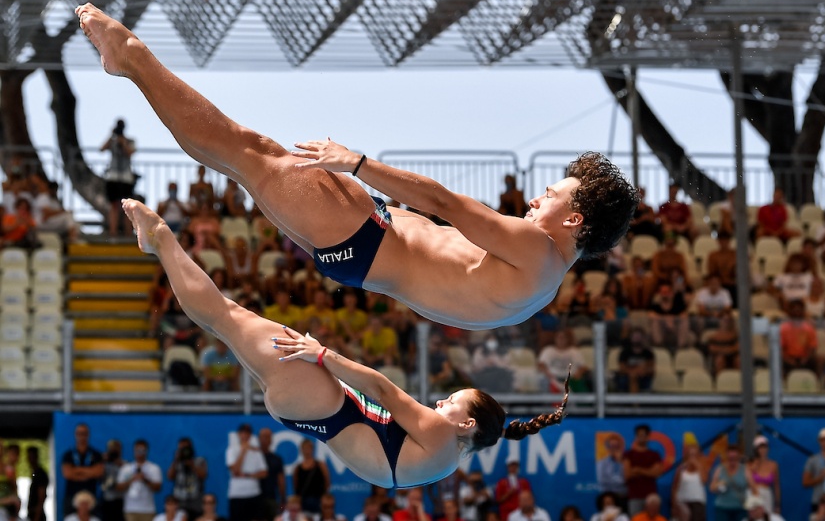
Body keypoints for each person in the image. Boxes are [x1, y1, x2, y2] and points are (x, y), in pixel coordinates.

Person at [76, 3, 637, 331]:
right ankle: (130, 64)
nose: (538, 198)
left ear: (574, 222)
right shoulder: (540, 291)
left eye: (552, 194)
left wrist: (359, 164)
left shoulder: (538, 251)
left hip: (367, 236)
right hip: (359, 254)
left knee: (245, 149)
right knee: (243, 159)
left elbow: (442, 204)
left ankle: (131, 58)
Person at [119, 198, 569, 490]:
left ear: (467, 425)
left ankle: (160, 237)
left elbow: (385, 391)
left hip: (322, 400)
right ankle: (159, 243)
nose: (440, 399)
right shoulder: (445, 460)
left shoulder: (440, 434)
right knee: (227, 317)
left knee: (227, 315)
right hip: (312, 408)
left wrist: (323, 355)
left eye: (452, 400)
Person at [100, 118, 136, 237]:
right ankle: (113, 232)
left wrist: (123, 142)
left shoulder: (129, 140)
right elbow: (101, 149)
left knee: (127, 206)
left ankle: (128, 232)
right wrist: (111, 137)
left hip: (126, 177)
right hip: (113, 177)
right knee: (114, 206)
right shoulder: (113, 141)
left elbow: (130, 152)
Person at [227, 423, 268, 521]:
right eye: (242, 433)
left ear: (250, 435)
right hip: (236, 494)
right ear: (238, 434)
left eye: (247, 433)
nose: (245, 435)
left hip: (254, 493)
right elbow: (235, 471)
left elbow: (264, 473)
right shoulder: (231, 450)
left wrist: (247, 475)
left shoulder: (257, 452)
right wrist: (243, 451)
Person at [61, 423, 104, 517]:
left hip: (91, 497)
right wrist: (89, 471)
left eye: (84, 433)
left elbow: (98, 472)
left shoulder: (96, 454)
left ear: (88, 435)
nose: (82, 436)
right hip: (71, 496)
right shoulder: (68, 455)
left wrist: (77, 470)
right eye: (79, 433)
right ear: (75, 434)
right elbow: (68, 474)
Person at [116, 439, 163, 521]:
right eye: (137, 450)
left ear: (146, 451)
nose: (139, 453)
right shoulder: (126, 468)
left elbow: (158, 488)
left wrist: (145, 479)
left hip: (147, 510)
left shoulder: (154, 468)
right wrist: (131, 479)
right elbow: (119, 487)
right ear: (134, 450)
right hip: (130, 509)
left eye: (142, 450)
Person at [624, 424, 663, 517]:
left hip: (651, 497)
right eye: (639, 435)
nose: (641, 438)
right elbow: (627, 474)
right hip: (634, 496)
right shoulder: (629, 454)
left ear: (648, 437)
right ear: (636, 437)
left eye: (644, 435)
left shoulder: (654, 455)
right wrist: (648, 471)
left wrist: (638, 470)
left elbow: (657, 473)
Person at [168, 437, 209, 520]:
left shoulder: (200, 461)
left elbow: (203, 475)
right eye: (181, 448)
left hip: (195, 504)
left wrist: (191, 464)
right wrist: (175, 460)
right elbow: (170, 476)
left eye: (185, 448)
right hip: (179, 504)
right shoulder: (177, 463)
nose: (183, 451)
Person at [710, 445, 753, 521]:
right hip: (722, 508)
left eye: (735, 458)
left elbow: (753, 487)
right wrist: (718, 485)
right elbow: (712, 487)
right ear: (727, 457)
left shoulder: (745, 469)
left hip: (740, 508)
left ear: (739, 457)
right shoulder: (720, 469)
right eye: (730, 458)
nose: (732, 460)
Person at [671, 438, 707, 521]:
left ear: (699, 455)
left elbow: (704, 480)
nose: (693, 457)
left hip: (698, 503)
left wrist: (697, 464)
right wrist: (674, 505)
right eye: (691, 455)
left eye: (695, 455)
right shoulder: (681, 469)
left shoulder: (702, 467)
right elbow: (674, 487)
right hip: (683, 503)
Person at [293, 439, 329, 514]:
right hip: (303, 501)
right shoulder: (297, 468)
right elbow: (296, 486)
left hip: (318, 500)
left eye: (309, 448)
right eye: (305, 448)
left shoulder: (320, 465)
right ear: (301, 450)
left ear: (312, 449)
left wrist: (323, 497)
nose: (307, 451)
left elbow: (327, 482)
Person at [259, 428, 287, 520]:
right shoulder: (252, 457)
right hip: (253, 498)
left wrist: (283, 498)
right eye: (264, 436)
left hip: (271, 497)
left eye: (268, 437)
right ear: (259, 438)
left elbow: (281, 480)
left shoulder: (276, 459)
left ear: (271, 440)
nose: (266, 439)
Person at [749, 437, 780, 515]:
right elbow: (747, 481)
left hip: (767, 495)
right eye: (760, 448)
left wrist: (777, 505)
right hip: (754, 494)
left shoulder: (773, 465)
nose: (762, 450)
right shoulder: (751, 464)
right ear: (756, 450)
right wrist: (756, 463)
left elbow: (776, 486)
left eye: (764, 447)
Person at [101, 439, 126, 521]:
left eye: (116, 448)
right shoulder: (103, 464)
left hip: (122, 501)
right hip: (107, 501)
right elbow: (104, 485)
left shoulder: (125, 465)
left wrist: (120, 464)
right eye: (111, 449)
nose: (114, 451)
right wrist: (101, 460)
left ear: (120, 450)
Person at [26, 446, 49, 521]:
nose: (29, 459)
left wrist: (37, 516)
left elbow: (41, 497)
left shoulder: (40, 474)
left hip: (37, 515)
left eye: (31, 456)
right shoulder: (35, 473)